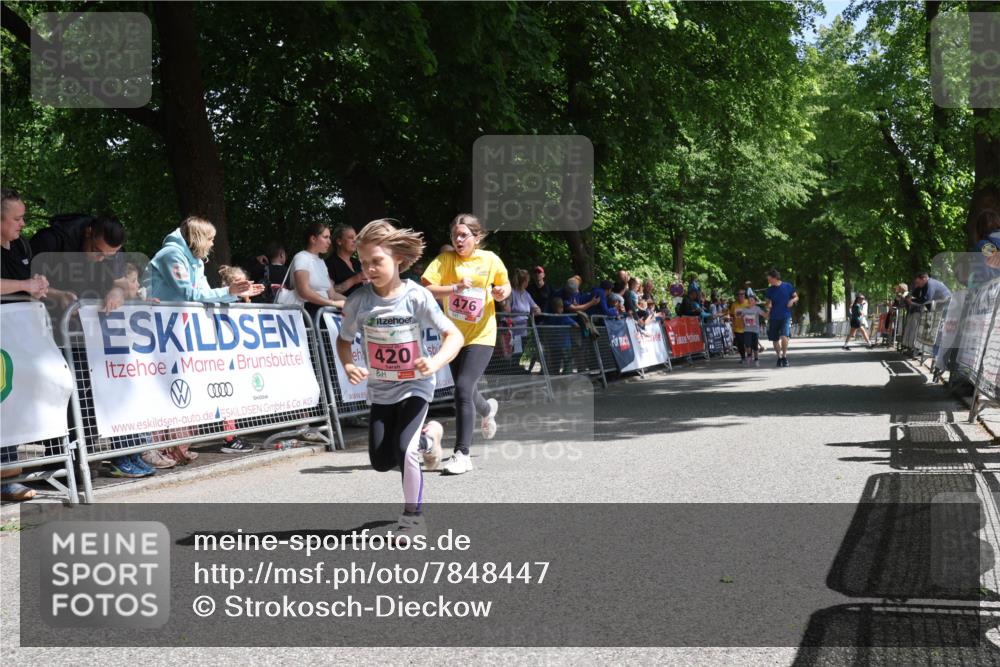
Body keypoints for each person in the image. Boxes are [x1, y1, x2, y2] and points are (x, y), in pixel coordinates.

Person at [337, 219, 461, 539]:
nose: (369, 269)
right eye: (363, 263)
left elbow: (454, 336)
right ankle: (430, 438)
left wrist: (434, 362)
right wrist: (349, 364)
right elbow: (344, 340)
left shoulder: (416, 296)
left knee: (405, 450)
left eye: (376, 261)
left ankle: (413, 518)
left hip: (415, 386)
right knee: (381, 460)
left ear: (398, 260)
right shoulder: (359, 301)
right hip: (381, 390)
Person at [145, 217, 263, 464]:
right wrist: (229, 292)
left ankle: (178, 446)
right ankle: (155, 448)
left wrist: (236, 295)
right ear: (198, 238)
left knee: (184, 389)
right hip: (161, 330)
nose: (212, 243)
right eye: (210, 238)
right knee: (164, 389)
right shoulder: (170, 254)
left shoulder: (196, 261)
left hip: (181, 331)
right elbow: (189, 293)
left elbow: (205, 295)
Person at [421, 213, 510, 475]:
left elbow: (504, 287)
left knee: (461, 387)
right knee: (466, 390)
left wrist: (501, 292)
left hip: (482, 334)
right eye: (454, 236)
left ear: (477, 237)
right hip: (453, 336)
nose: (458, 240)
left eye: (463, 235)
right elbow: (425, 287)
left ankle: (462, 454)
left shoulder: (490, 259)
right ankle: (486, 409)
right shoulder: (446, 260)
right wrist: (454, 288)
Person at [283, 223, 347, 316]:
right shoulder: (302, 257)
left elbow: (332, 294)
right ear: (313, 239)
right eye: (325, 237)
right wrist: (333, 303)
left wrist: (351, 302)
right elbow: (304, 291)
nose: (329, 241)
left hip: (323, 313)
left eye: (329, 237)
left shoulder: (321, 262)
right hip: (307, 314)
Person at [0, 189, 48, 304]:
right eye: (17, 219)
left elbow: (28, 284)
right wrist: (25, 285)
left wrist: (40, 286)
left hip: (22, 317)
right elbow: (25, 284)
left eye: (23, 218)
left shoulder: (21, 244)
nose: (23, 223)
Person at [764, 269, 798, 367]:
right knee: (775, 340)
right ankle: (779, 357)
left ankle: (784, 356)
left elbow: (796, 297)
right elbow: (767, 303)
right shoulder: (769, 290)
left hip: (785, 316)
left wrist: (792, 301)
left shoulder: (787, 286)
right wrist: (768, 305)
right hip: (774, 317)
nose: (768, 282)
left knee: (784, 336)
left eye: (769, 279)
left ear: (775, 278)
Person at [509, 269, 541, 371]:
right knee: (514, 356)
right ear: (523, 281)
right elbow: (506, 310)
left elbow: (537, 308)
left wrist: (535, 310)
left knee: (518, 355)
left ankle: (515, 374)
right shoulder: (511, 293)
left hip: (524, 331)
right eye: (527, 281)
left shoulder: (527, 294)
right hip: (513, 332)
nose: (528, 283)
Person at [326, 225, 368, 297]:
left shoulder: (357, 262)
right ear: (339, 241)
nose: (355, 240)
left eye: (355, 238)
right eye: (350, 238)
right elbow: (328, 292)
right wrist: (354, 280)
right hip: (343, 306)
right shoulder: (329, 264)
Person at [547, 296, 578, 374]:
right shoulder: (564, 317)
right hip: (565, 345)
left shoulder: (550, 318)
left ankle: (555, 380)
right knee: (567, 364)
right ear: (561, 307)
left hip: (553, 345)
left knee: (555, 365)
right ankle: (565, 379)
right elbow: (576, 325)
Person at [736, 295, 766, 367]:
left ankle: (756, 359)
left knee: (755, 346)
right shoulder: (744, 309)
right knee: (747, 345)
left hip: (755, 330)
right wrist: (738, 314)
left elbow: (765, 315)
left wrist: (769, 310)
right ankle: (749, 356)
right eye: (749, 300)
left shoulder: (757, 308)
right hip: (747, 329)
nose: (750, 301)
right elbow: (739, 316)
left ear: (755, 302)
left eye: (752, 300)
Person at [729, 287, 751, 364]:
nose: (740, 296)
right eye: (739, 295)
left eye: (742, 294)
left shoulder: (748, 302)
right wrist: (731, 319)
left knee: (748, 343)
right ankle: (743, 357)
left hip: (747, 327)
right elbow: (731, 314)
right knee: (740, 343)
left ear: (744, 295)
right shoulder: (734, 304)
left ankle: (749, 356)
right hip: (737, 327)